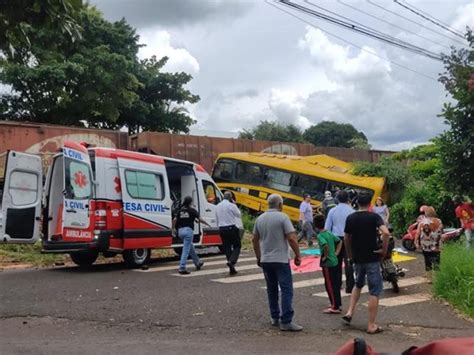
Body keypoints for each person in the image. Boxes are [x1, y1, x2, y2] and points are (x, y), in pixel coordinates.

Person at [252, 194, 303, 332]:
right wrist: (298, 254)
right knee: (286, 289)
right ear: (280, 205)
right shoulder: (283, 217)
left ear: (268, 204)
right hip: (280, 259)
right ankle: (286, 320)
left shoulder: (260, 219)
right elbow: (292, 237)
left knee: (272, 289)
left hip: (266, 260)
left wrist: (258, 257)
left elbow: (254, 240)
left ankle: (275, 317)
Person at [342, 192, 390, 335]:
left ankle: (350, 312)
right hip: (372, 258)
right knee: (374, 291)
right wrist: (383, 250)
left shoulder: (350, 218)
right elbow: (386, 233)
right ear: (370, 204)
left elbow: (346, 238)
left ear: (357, 203)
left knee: (358, 283)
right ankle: (371, 325)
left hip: (357, 258)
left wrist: (350, 255)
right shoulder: (374, 217)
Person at [324, 190, 355, 294]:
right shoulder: (352, 211)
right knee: (349, 262)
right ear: (348, 199)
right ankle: (350, 287)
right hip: (349, 239)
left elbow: (327, 228)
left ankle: (337, 285)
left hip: (335, 239)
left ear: (337, 199)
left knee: (336, 264)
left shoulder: (332, 211)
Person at [172, 196, 210, 275]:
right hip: (188, 231)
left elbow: (175, 220)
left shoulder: (180, 210)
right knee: (186, 249)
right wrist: (207, 224)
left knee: (190, 247)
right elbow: (200, 219)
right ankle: (182, 267)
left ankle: (198, 262)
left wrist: (173, 229)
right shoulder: (192, 210)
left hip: (180, 231)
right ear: (190, 202)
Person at [314, 214, 342, 314]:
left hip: (328, 262)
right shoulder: (329, 233)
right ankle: (337, 303)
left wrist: (325, 256)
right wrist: (337, 252)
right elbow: (339, 241)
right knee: (336, 283)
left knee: (329, 284)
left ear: (315, 225)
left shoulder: (320, 235)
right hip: (334, 260)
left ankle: (334, 306)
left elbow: (325, 245)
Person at [216, 191, 242, 275]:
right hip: (231, 228)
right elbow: (238, 215)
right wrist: (235, 204)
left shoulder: (218, 206)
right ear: (231, 198)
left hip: (221, 228)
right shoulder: (231, 205)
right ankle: (232, 261)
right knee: (237, 245)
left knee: (227, 247)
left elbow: (216, 217)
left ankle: (231, 268)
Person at [415, 218, 443, 282]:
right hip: (426, 250)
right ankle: (429, 278)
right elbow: (418, 239)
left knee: (436, 264)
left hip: (434, 250)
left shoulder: (435, 232)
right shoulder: (421, 233)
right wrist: (417, 244)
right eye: (425, 225)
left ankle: (437, 278)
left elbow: (439, 240)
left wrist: (438, 248)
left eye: (427, 225)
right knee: (428, 263)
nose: (426, 227)